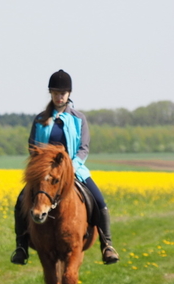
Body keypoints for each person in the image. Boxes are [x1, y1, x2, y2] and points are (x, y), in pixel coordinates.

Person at [10, 69, 120, 266]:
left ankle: (107, 244)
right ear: (50, 94)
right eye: (55, 93)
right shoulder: (40, 120)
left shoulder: (79, 119)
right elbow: (33, 147)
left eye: (62, 94)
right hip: (46, 174)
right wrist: (42, 168)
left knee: (99, 200)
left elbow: (83, 148)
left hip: (74, 171)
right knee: (20, 202)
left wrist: (70, 168)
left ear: (69, 94)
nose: (59, 97)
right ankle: (21, 246)